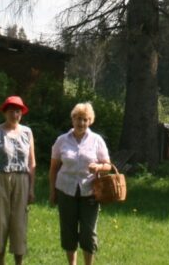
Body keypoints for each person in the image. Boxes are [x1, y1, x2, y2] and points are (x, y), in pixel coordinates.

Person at [49, 102, 112, 265]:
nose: (81, 123)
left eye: (85, 119)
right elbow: (54, 168)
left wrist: (98, 167)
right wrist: (52, 192)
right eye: (78, 119)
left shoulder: (96, 140)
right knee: (68, 231)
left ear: (90, 121)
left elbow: (108, 165)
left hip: (90, 192)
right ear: (72, 119)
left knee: (88, 232)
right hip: (65, 190)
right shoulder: (61, 140)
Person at [0, 95, 36, 265]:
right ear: (5, 112)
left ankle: (18, 262)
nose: (15, 114)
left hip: (22, 180)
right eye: (12, 111)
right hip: (0, 179)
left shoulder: (27, 132)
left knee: (19, 222)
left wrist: (31, 188)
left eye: (18, 111)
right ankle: (1, 261)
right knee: (1, 220)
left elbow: (31, 162)